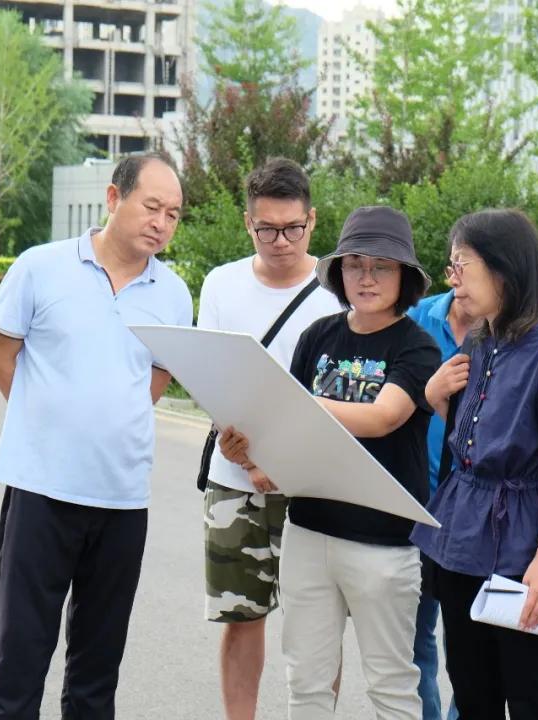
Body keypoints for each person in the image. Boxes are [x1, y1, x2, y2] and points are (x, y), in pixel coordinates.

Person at [0, 152, 193, 720]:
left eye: (173, 215)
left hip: (123, 501)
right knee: (20, 661)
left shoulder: (173, 294)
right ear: (113, 198)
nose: (162, 223)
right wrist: (48, 421)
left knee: (97, 673)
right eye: (152, 207)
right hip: (41, 491)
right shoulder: (40, 267)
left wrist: (105, 420)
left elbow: (155, 379)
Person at [219, 205, 439, 720]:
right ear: (339, 272)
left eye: (381, 266)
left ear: (404, 276)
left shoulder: (417, 347)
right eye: (354, 264)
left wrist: (293, 404)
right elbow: (285, 433)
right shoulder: (318, 335)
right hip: (308, 531)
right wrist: (249, 451)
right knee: (306, 682)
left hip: (385, 543)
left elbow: (382, 417)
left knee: (391, 685)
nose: (366, 277)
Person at [411, 209, 538, 720]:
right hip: (462, 534)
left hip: (522, 539)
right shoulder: (479, 339)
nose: (453, 279)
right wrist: (434, 397)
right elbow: (474, 436)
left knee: (534, 695)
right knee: (472, 691)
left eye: (462, 264)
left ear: (503, 269)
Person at [197, 157, 342, 720]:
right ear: (247, 223)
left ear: (312, 220)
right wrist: (248, 456)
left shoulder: (336, 293)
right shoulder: (222, 283)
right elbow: (210, 376)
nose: (281, 242)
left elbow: (338, 396)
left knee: (317, 627)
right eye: (267, 229)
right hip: (233, 482)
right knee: (241, 618)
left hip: (311, 487)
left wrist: (281, 462)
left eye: (293, 228)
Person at [407, 285, 476, 720]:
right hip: (416, 504)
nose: (462, 278)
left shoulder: (509, 331)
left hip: (474, 512)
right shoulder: (417, 318)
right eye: (457, 263)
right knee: (412, 639)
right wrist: (429, 393)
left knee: (468, 645)